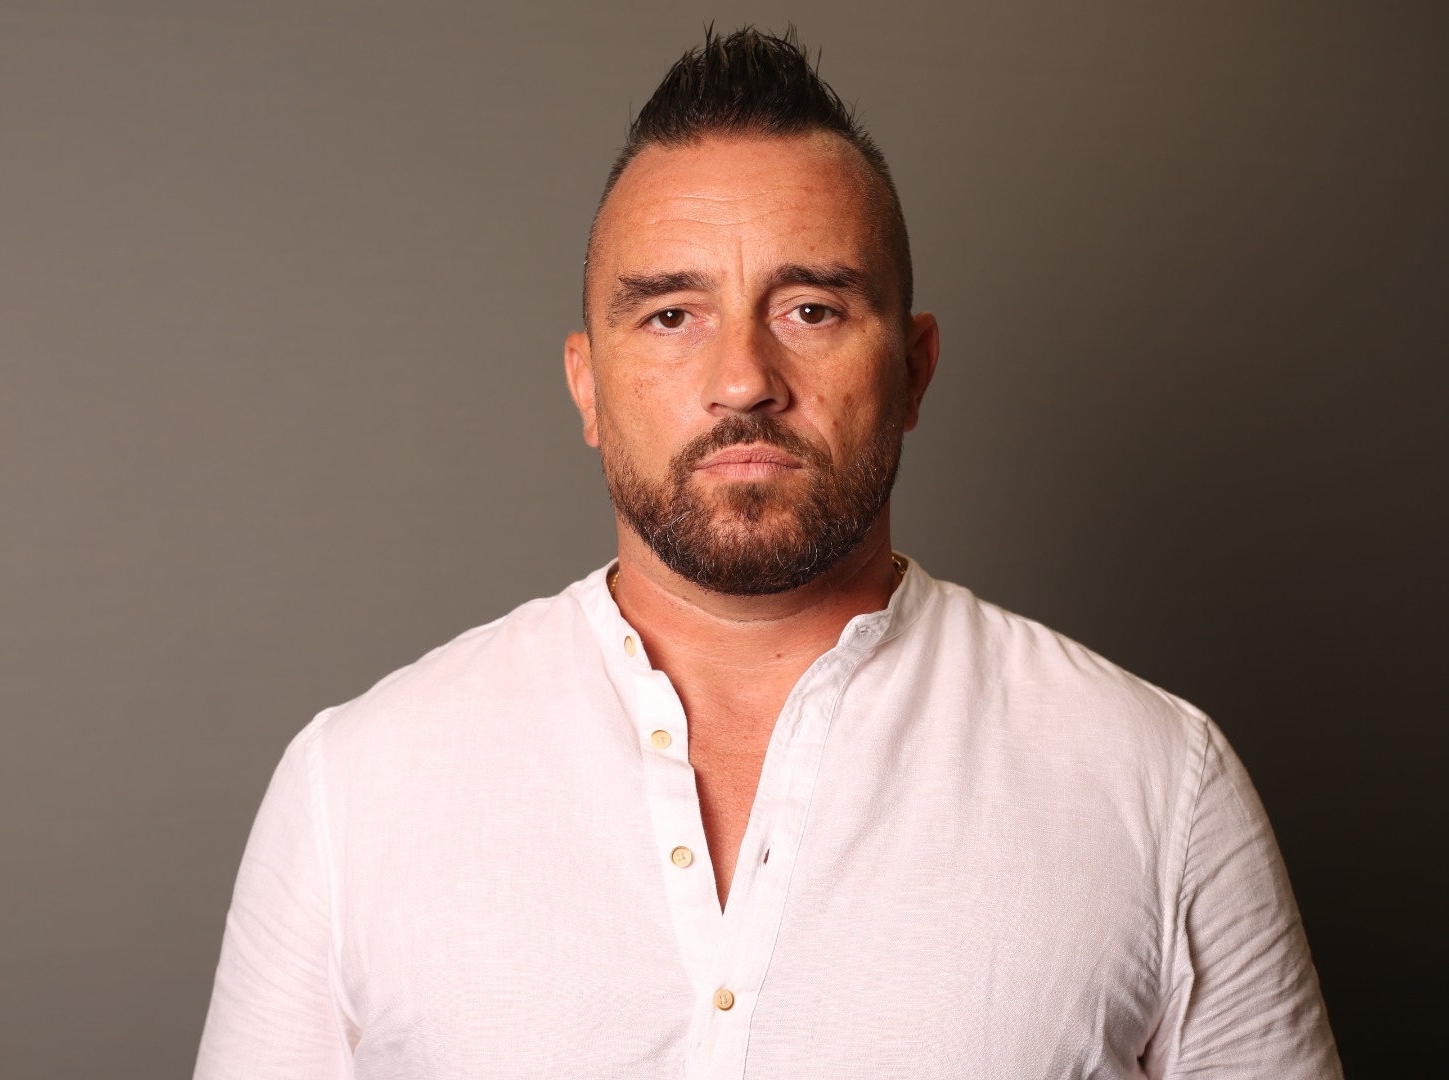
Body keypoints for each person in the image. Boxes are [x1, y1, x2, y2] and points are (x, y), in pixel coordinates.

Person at [193, 27, 1340, 1079]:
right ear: (587, 386)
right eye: (670, 315)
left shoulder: (1156, 783)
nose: (743, 379)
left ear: (915, 370)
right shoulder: (355, 789)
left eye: (811, 310)